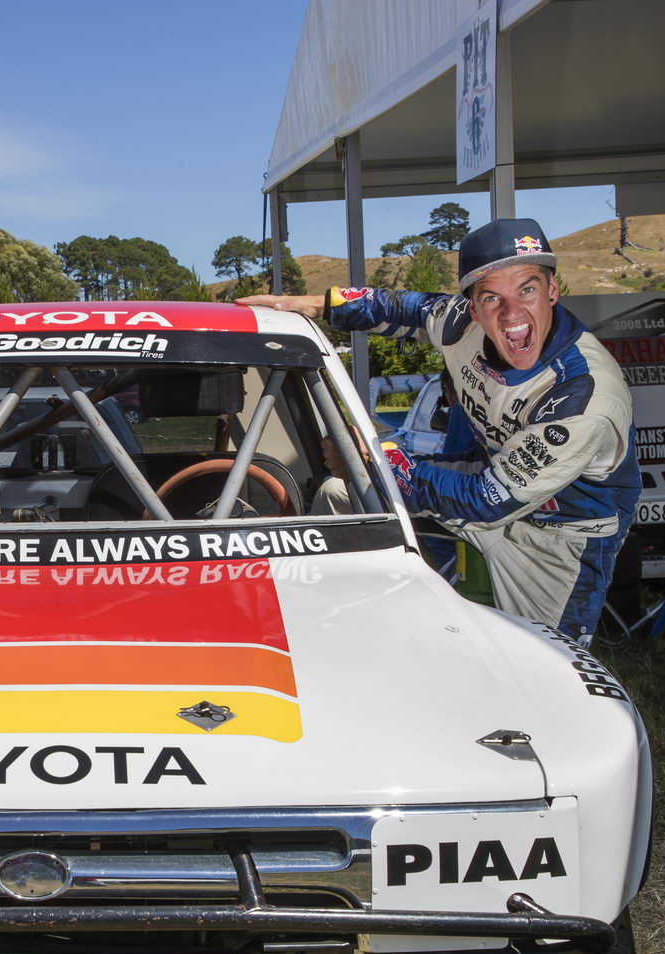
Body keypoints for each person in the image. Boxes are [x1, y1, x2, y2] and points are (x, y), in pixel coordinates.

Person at [239, 218, 638, 644]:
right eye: (491, 297)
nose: (511, 313)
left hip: (561, 532)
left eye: (527, 289)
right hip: (491, 477)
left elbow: (486, 501)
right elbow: (402, 308)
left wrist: (377, 461)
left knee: (548, 664)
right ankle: (334, 632)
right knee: (342, 494)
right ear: (472, 308)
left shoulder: (585, 394)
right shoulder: (462, 324)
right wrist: (316, 304)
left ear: (553, 290)